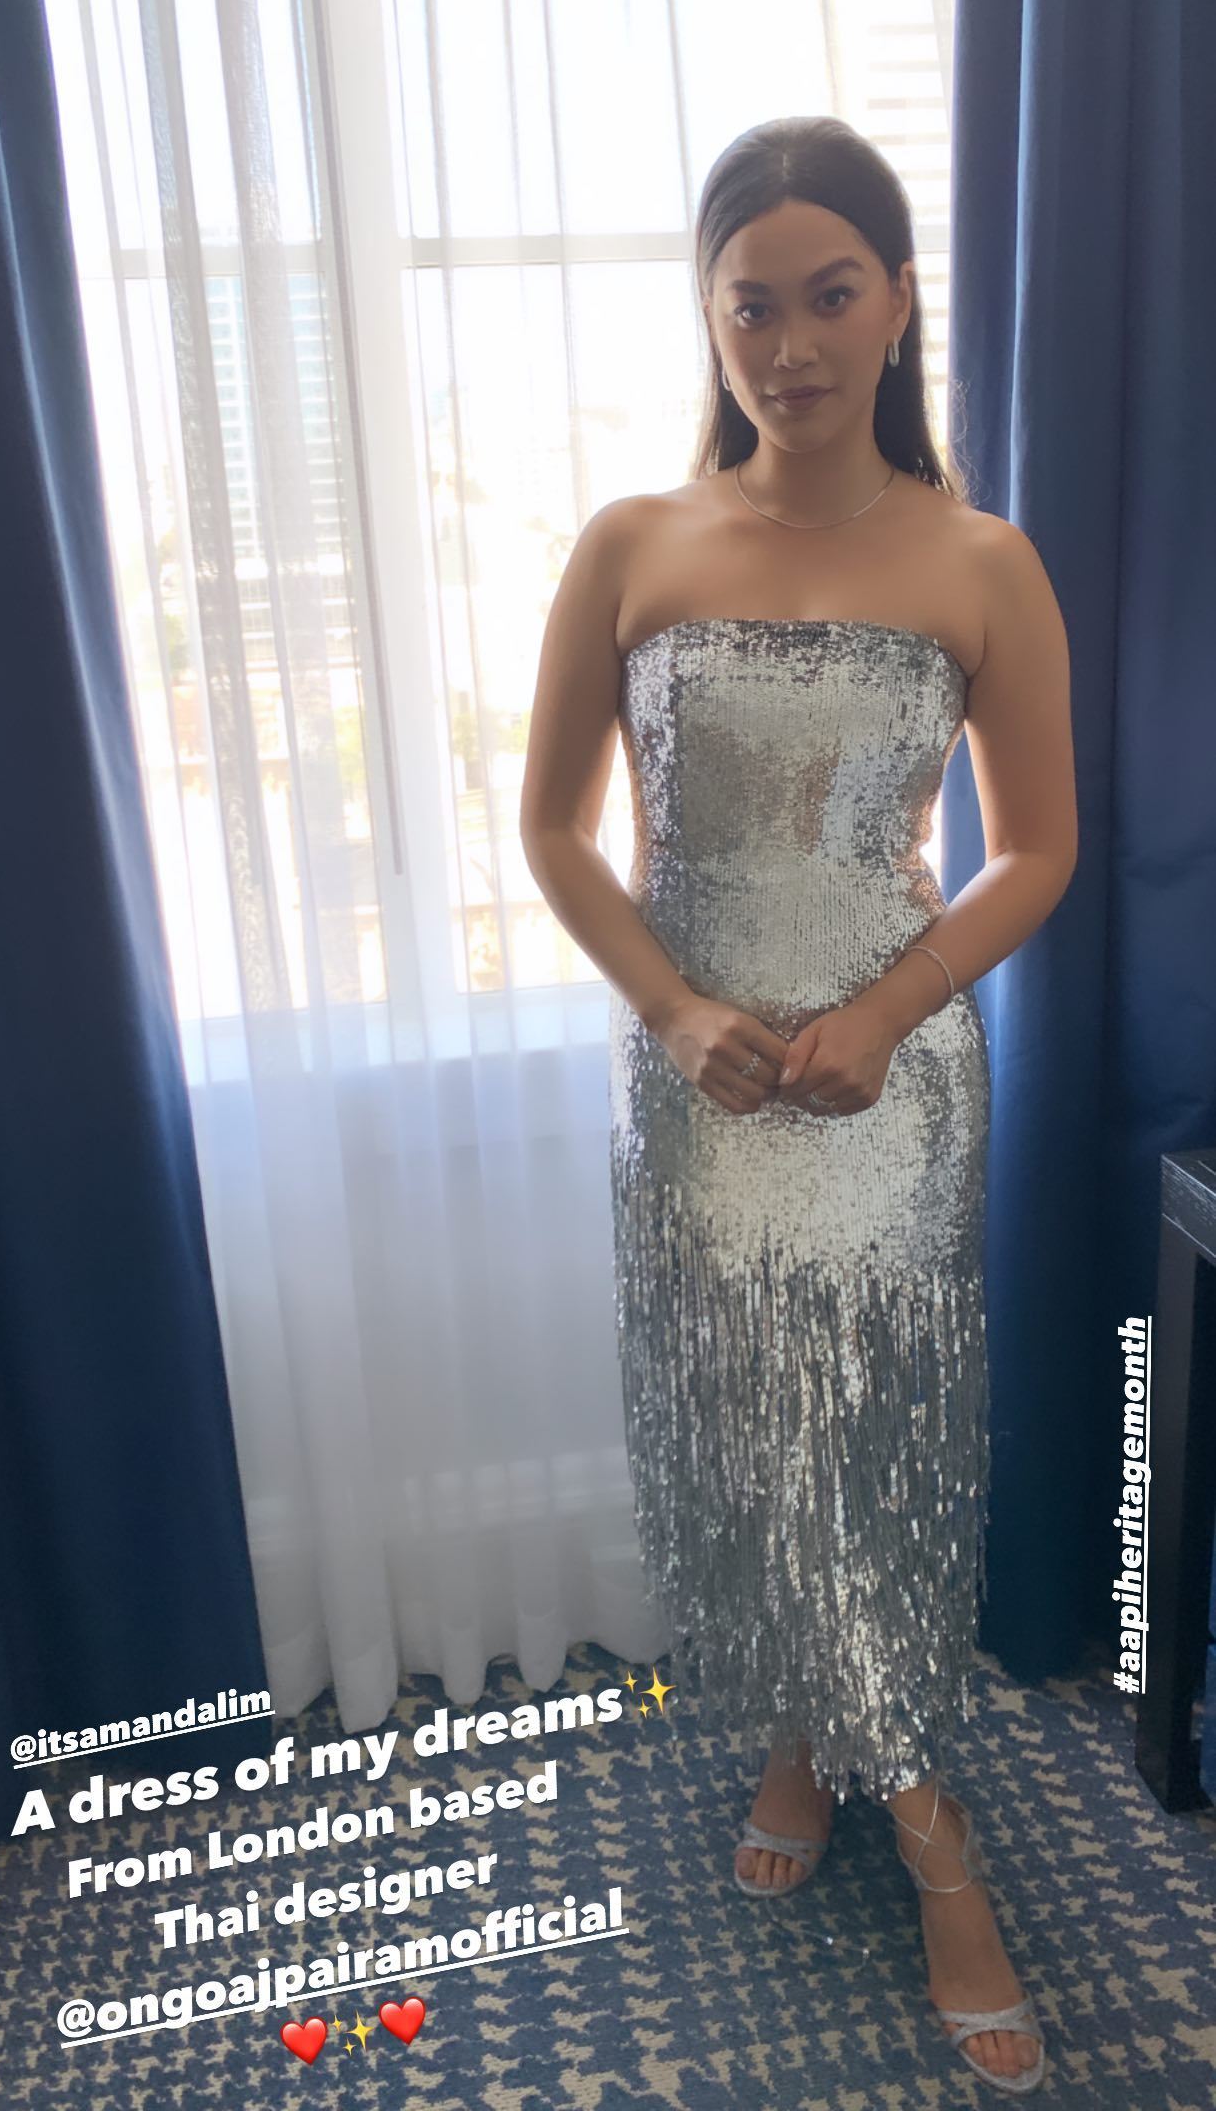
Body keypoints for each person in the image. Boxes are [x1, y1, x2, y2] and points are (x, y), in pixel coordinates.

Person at [519, 115, 1077, 2096]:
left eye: (830, 294)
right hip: (695, 1078)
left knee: (877, 1436)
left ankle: (926, 1820)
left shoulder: (979, 561)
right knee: (743, 1427)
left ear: (899, 301)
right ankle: (795, 1725)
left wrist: (888, 1007)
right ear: (710, 318)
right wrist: (674, 1013)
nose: (790, 342)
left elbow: (1035, 849)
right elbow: (554, 833)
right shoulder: (633, 544)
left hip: (890, 1086)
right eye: (749, 303)